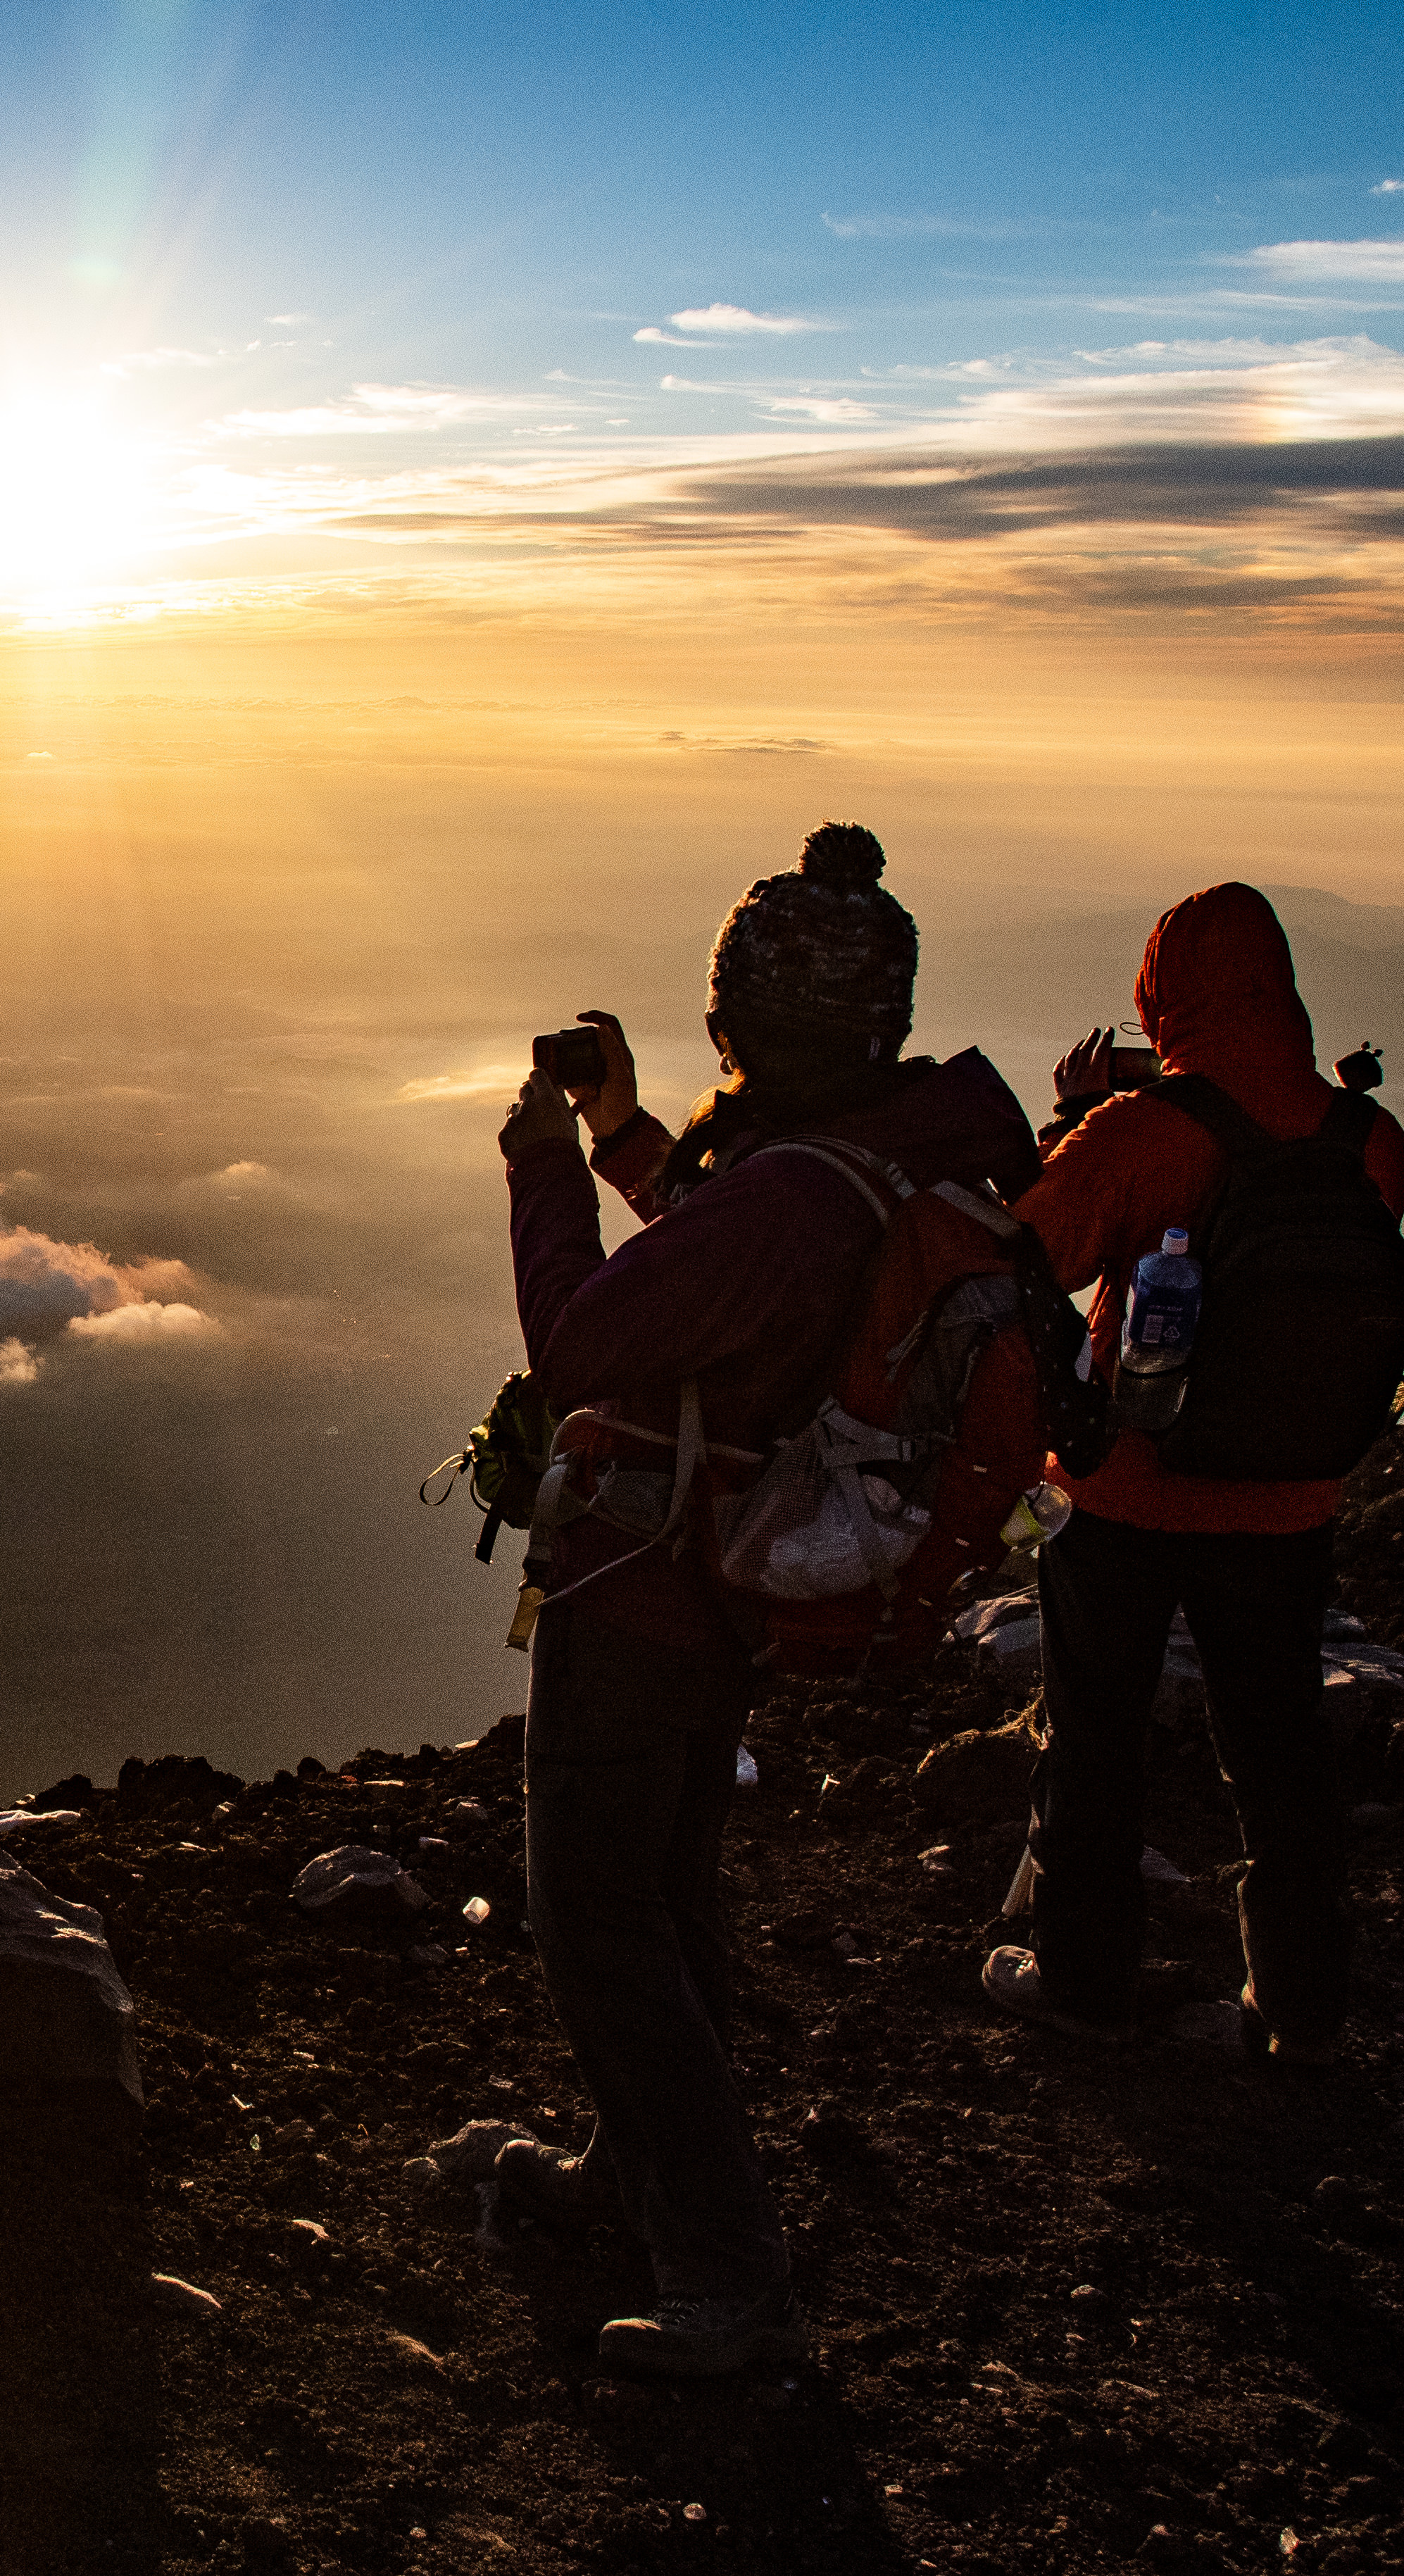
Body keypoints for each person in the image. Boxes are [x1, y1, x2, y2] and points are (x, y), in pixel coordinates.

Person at [495, 822, 1039, 2376]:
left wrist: (543, 1164)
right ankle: (636, 2177)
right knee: (660, 1901)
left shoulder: (793, 1193)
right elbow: (729, 1264)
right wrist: (623, 1135)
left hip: (645, 1586)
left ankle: (728, 2281)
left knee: (598, 1921)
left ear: (739, 1015)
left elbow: (586, 1341)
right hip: (734, 1574)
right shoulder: (882, 1150)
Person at [981, 882, 1404, 2058]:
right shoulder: (1367, 1139)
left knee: (1099, 1737)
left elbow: (1033, 1249)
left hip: (1131, 1489)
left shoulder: (1143, 1133)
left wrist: (1080, 1116)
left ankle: (1081, 1982)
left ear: (1159, 998)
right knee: (1280, 1753)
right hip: (1290, 1499)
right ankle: (1302, 2005)